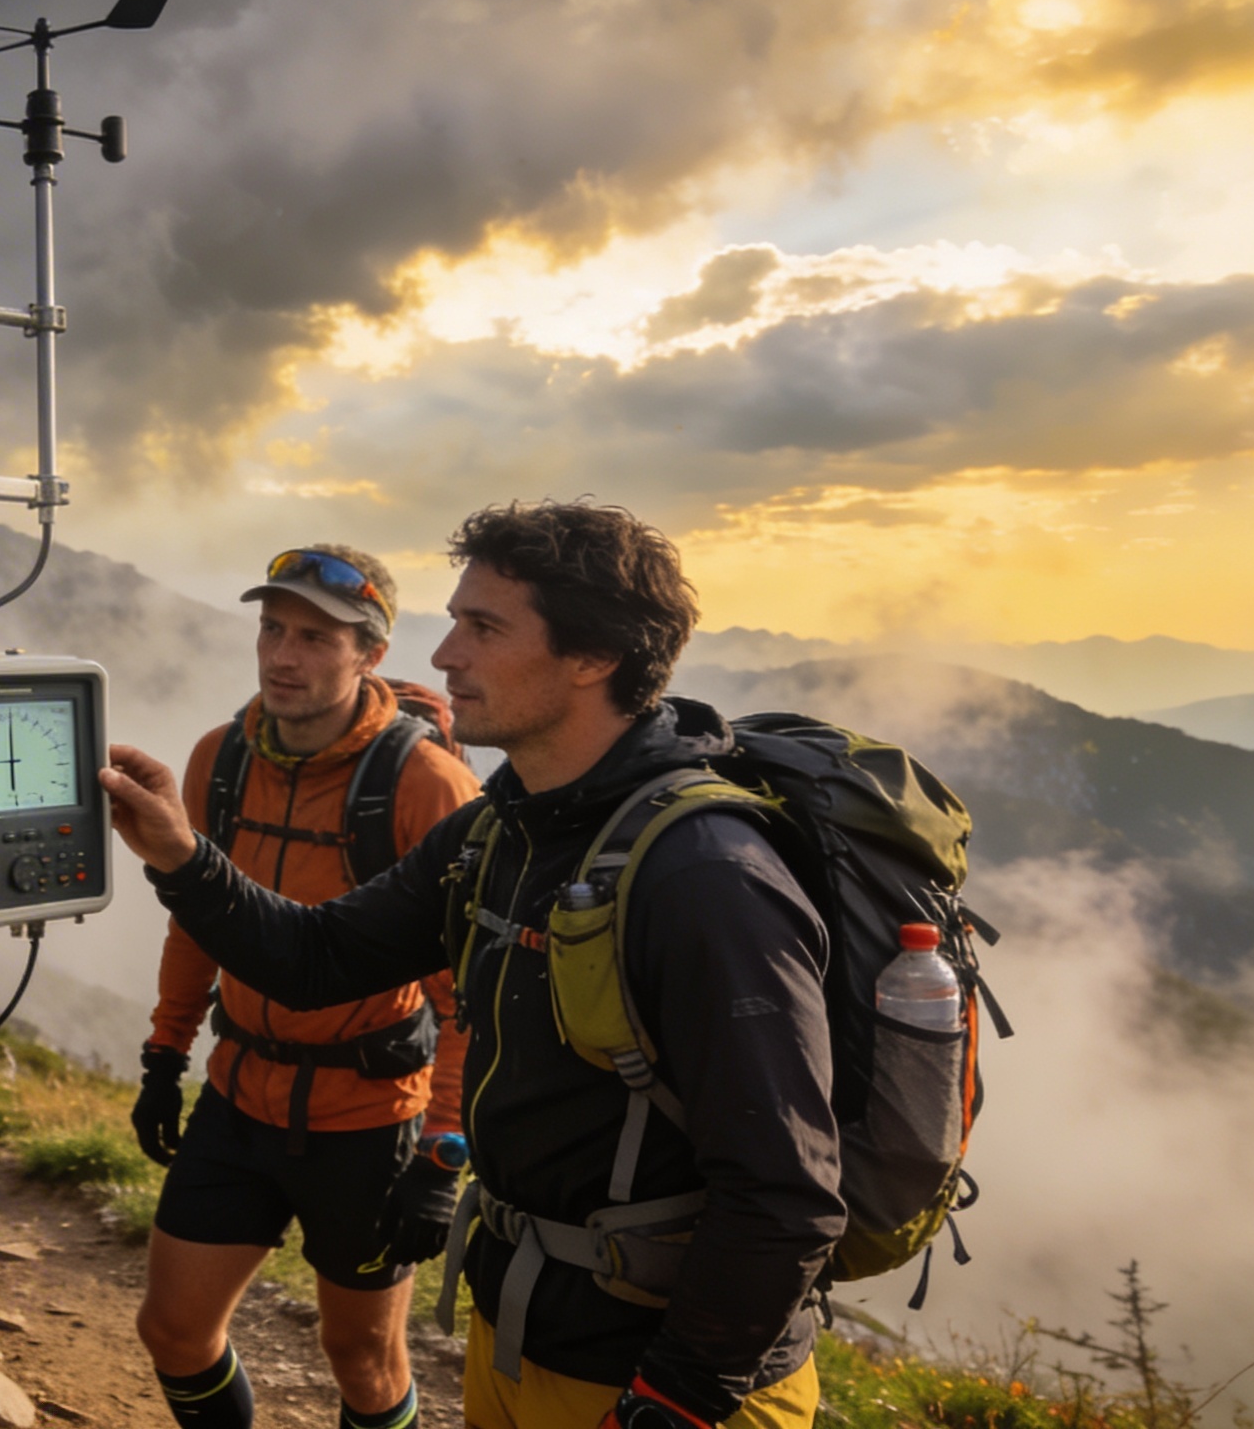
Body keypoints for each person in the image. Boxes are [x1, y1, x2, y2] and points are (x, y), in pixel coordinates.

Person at [101, 502, 841, 1429]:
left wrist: (674, 1401)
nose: (445, 657)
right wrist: (180, 853)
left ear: (592, 657)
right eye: (454, 623)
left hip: (658, 1382)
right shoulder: (504, 828)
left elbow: (786, 1191)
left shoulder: (704, 875)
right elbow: (319, 957)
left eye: (483, 628)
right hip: (520, 1340)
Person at [133, 543, 481, 1429]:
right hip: (238, 1096)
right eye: (273, 629)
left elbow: (466, 993)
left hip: (367, 1118)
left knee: (361, 1360)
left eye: (317, 638)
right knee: (173, 1330)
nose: (284, 656)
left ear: (370, 654)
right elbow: (197, 919)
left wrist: (443, 1152)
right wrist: (165, 1054)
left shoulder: (425, 782)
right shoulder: (221, 756)